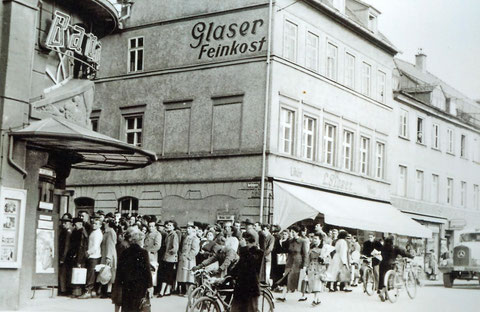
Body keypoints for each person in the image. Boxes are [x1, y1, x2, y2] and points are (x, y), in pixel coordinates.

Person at [115, 228, 153, 312]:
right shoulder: (143, 252)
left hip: (127, 285)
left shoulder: (124, 253)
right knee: (139, 307)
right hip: (140, 285)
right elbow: (147, 270)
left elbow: (119, 271)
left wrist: (118, 285)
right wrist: (150, 285)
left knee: (128, 307)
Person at [230, 231, 264, 312]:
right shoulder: (245, 252)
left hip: (251, 289)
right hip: (240, 289)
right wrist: (228, 276)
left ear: (251, 242)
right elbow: (238, 267)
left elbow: (251, 265)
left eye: (247, 242)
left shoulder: (258, 252)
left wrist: (244, 248)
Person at [276, 225, 309, 302]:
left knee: (300, 279)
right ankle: (283, 296)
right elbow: (286, 250)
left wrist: (304, 265)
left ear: (297, 233)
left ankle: (303, 296)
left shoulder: (302, 241)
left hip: (298, 263)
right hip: (290, 262)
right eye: (291, 232)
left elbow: (305, 254)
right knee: (286, 278)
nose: (291, 233)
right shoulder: (290, 241)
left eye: (293, 232)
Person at [378, 236, 413, 301]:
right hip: (390, 265)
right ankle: (383, 292)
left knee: (383, 279)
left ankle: (385, 294)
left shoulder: (383, 247)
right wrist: (411, 256)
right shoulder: (395, 247)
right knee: (390, 279)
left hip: (382, 264)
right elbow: (403, 252)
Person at [79, 219, 103, 299]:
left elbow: (95, 247)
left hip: (94, 256)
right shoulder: (94, 232)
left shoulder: (97, 234)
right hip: (93, 255)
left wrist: (88, 253)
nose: (94, 225)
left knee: (91, 275)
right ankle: (92, 292)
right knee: (91, 274)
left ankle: (88, 291)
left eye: (96, 223)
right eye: (93, 223)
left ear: (100, 225)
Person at [176, 222, 200, 295]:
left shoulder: (194, 238)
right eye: (187, 228)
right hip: (183, 258)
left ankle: (188, 292)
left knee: (189, 276)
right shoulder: (186, 237)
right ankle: (183, 290)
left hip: (189, 260)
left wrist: (188, 257)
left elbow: (195, 250)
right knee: (183, 276)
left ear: (193, 229)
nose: (187, 229)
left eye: (189, 228)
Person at [158, 220, 179, 297]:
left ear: (173, 227)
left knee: (168, 274)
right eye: (167, 225)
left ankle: (165, 290)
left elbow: (175, 248)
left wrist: (169, 252)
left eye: (170, 225)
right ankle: (164, 290)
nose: (167, 226)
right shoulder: (168, 234)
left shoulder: (174, 235)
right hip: (166, 257)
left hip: (170, 258)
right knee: (166, 274)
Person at [306, 234, 326, 306]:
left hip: (319, 267)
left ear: (320, 240)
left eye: (316, 239)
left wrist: (323, 259)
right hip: (311, 266)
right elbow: (308, 258)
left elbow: (328, 259)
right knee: (312, 283)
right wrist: (306, 266)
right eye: (313, 238)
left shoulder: (324, 249)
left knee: (317, 283)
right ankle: (317, 299)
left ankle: (315, 299)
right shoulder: (311, 248)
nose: (314, 240)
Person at [99, 219, 117, 298]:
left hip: (108, 255)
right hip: (107, 254)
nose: (104, 223)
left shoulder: (110, 232)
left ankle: (106, 292)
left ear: (108, 224)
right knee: (107, 272)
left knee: (107, 273)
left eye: (105, 222)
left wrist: (108, 257)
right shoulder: (109, 232)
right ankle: (106, 291)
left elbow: (110, 245)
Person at [58, 213, 73, 296]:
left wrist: (62, 258)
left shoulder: (68, 232)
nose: (63, 224)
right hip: (68, 256)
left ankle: (63, 290)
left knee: (63, 273)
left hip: (66, 256)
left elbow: (66, 246)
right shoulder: (68, 230)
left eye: (65, 223)